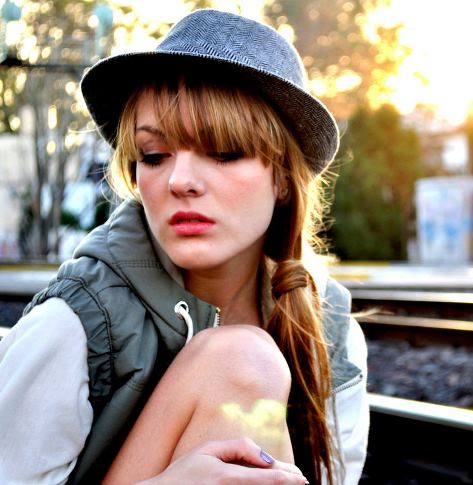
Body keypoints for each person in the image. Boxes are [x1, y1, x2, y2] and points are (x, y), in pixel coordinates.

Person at [0, 9, 369, 485]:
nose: (180, 180)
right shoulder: (76, 323)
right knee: (241, 360)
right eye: (154, 155)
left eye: (224, 152)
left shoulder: (330, 329)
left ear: (282, 178)